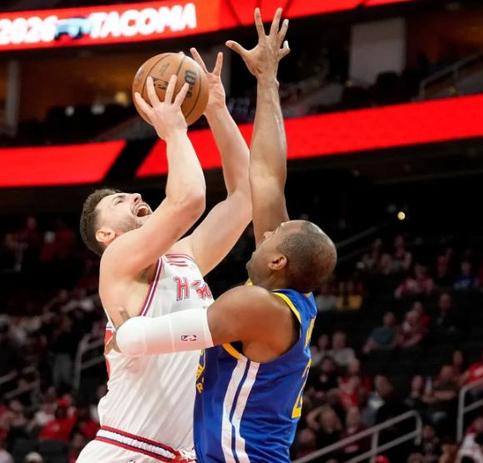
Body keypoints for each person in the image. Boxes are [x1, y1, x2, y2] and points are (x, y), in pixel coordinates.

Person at [113, 9, 336, 462]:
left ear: (278, 261)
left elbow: (136, 338)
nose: (267, 229)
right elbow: (267, 176)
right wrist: (265, 81)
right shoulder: (287, 293)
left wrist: (122, 317)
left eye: (276, 234)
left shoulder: (255, 306)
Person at [77, 52, 252, 462]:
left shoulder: (185, 257)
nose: (135, 196)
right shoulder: (117, 260)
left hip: (178, 454)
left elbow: (245, 197)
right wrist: (173, 131)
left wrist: (216, 109)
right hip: (125, 450)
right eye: (119, 201)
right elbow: (189, 200)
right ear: (106, 234)